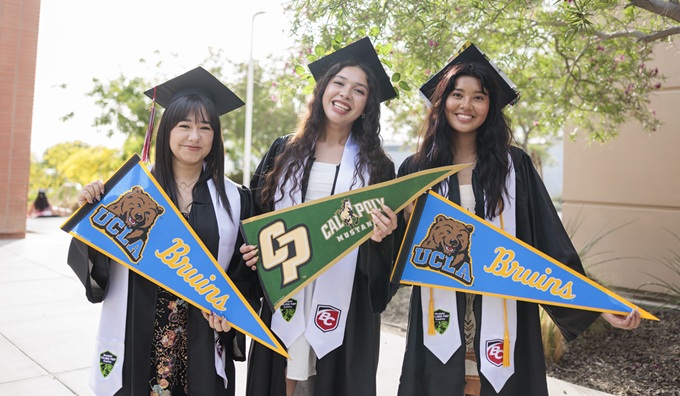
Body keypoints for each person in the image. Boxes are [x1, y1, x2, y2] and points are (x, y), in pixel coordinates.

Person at [395, 43, 641, 396]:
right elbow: (395, 250)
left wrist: (599, 303)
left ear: (491, 107)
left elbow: (549, 241)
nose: (466, 105)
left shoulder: (515, 167)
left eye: (479, 97)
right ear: (442, 102)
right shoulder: (416, 170)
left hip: (503, 308)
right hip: (440, 311)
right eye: (457, 95)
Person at [67, 67, 254, 396]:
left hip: (201, 339)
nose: (194, 137)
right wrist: (92, 208)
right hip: (140, 333)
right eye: (184, 126)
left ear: (216, 136)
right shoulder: (131, 190)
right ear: (167, 130)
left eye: (204, 127)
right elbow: (95, 260)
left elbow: (245, 273)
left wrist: (232, 314)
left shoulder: (236, 200)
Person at [241, 37, 398, 396]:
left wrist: (382, 236)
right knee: (281, 380)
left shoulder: (378, 166)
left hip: (346, 294)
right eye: (339, 83)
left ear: (367, 105)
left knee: (330, 383)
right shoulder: (285, 150)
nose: (345, 94)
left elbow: (387, 248)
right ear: (323, 89)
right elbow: (254, 214)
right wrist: (252, 248)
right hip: (286, 281)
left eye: (359, 90)